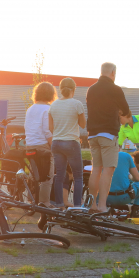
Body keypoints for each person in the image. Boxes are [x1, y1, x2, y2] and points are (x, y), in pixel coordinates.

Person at [86, 62, 130, 213]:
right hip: (108, 134)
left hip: (92, 134)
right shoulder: (115, 89)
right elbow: (126, 110)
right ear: (113, 73)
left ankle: (92, 205)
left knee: (96, 169)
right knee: (108, 171)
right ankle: (102, 206)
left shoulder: (91, 89)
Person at [49, 78, 86, 208]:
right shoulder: (77, 104)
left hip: (56, 143)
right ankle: (77, 207)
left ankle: (59, 204)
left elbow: (50, 127)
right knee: (78, 176)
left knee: (59, 175)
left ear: (60, 89)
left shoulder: (53, 105)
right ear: (73, 89)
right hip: (71, 143)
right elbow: (82, 124)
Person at [24, 82, 56, 206]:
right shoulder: (48, 109)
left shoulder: (30, 109)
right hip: (43, 146)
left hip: (30, 144)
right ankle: (44, 202)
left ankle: (30, 200)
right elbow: (47, 130)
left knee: (33, 174)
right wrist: (53, 146)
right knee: (47, 176)